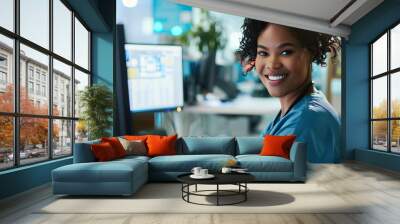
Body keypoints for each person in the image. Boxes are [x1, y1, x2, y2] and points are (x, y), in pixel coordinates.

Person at [238, 18, 341, 163]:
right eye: (263, 53)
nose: (272, 64)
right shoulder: (297, 108)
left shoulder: (304, 121)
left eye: (286, 52)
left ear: (310, 52)